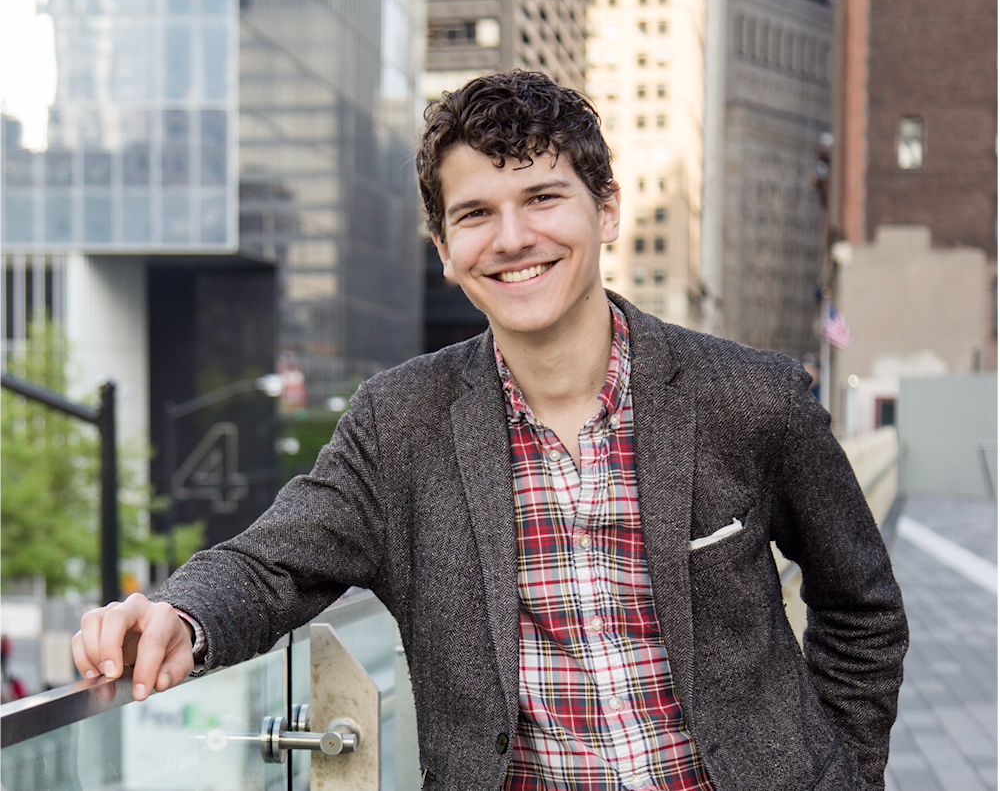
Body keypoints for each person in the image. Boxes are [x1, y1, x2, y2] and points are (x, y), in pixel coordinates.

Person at [74, 70, 907, 791]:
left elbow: (861, 607)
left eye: (543, 198)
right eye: (476, 213)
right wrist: (178, 615)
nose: (512, 239)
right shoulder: (400, 424)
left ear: (607, 211)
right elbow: (268, 564)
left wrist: (845, 775)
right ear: (444, 248)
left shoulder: (750, 396)